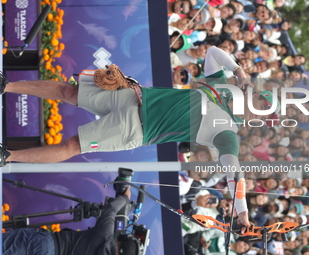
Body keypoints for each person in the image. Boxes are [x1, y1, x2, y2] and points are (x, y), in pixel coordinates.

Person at [0, 46, 281, 227]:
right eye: (260, 99)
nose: (256, 104)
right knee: (67, 91)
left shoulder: (227, 132)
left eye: (263, 110)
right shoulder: (220, 84)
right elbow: (213, 53)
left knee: (72, 145)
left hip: (137, 129)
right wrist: (240, 71)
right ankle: (6, 85)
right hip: (134, 95)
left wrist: (242, 211)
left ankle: (6, 157)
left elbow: (235, 173)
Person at [2, 186, 132, 255]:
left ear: (122, 240)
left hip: (48, 243)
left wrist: (125, 198)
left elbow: (111, 208)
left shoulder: (104, 236)